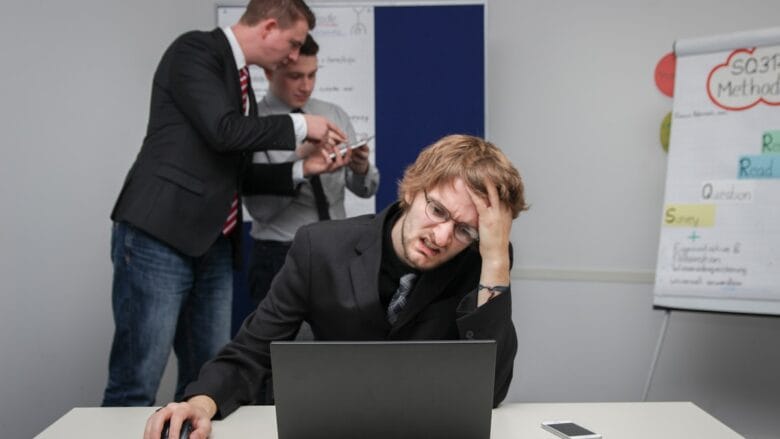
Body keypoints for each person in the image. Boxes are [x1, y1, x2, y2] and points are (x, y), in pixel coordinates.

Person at [144, 134, 529, 439]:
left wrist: (496, 262)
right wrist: (201, 401)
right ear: (413, 189)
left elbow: (489, 392)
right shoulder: (320, 248)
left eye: (465, 230)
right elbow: (251, 351)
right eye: (438, 210)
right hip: (327, 429)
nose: (443, 236)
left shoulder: (482, 263)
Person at [103, 0, 347, 407]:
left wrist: (306, 168)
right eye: (293, 43)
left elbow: (238, 175)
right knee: (136, 382)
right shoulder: (194, 51)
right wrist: (303, 124)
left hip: (214, 244)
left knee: (206, 384)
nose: (292, 56)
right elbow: (223, 131)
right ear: (269, 27)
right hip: (159, 237)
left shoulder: (241, 84)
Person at [244, 33, 380, 309]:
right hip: (280, 253)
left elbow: (366, 189)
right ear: (269, 72)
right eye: (295, 76)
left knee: (342, 346)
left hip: (339, 250)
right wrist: (301, 163)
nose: (306, 85)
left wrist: (360, 166)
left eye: (312, 75)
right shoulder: (254, 124)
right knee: (279, 349)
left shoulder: (333, 113)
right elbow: (260, 211)